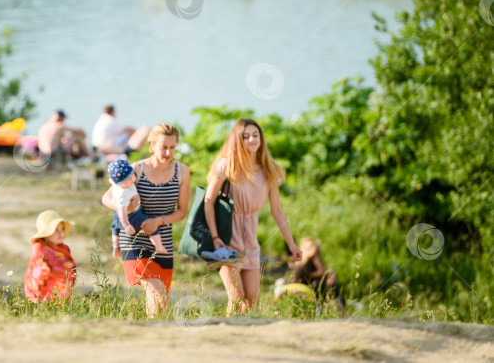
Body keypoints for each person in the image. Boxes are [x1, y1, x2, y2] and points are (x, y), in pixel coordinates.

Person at [204, 118, 302, 315]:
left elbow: (277, 210)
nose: (251, 140)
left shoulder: (269, 170)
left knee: (251, 300)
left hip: (250, 239)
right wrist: (215, 239)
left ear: (261, 139)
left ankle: (242, 339)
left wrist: (291, 244)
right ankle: (227, 334)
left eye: (255, 135)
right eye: (246, 136)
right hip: (226, 238)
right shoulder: (227, 166)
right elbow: (208, 201)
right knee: (237, 297)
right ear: (237, 140)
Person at [101, 124, 190, 317]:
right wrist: (126, 208)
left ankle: (152, 331)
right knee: (156, 290)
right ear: (151, 145)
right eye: (163, 147)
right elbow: (106, 198)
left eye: (172, 147)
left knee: (160, 295)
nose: (168, 152)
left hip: (161, 239)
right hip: (133, 237)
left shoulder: (182, 171)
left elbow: (182, 211)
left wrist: (157, 222)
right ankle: (155, 330)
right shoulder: (136, 169)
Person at [108, 158, 167, 258]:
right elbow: (122, 212)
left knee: (115, 228)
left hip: (116, 216)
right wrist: (126, 225)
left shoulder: (118, 185)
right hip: (131, 217)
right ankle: (158, 246)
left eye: (132, 175)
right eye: (127, 179)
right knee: (150, 224)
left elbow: (112, 181)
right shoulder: (123, 193)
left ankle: (115, 247)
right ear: (119, 183)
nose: (131, 179)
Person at [24, 210, 77, 303]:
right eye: (55, 230)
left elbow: (70, 267)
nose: (60, 233)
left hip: (61, 294)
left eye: (62, 229)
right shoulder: (39, 247)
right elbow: (47, 268)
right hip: (41, 293)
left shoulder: (64, 248)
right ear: (46, 232)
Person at [289, 236, 344, 308]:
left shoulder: (314, 259)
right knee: (328, 285)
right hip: (304, 286)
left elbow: (323, 271)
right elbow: (318, 272)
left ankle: (338, 307)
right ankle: (336, 307)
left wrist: (331, 274)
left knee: (332, 285)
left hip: (313, 284)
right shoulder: (300, 261)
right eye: (307, 248)